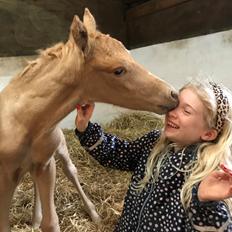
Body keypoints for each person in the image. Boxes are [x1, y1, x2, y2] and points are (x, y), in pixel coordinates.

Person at [74, 79, 232, 231]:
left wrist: (205, 204)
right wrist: (86, 129)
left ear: (209, 134)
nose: (172, 113)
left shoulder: (207, 172)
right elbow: (119, 154)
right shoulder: (155, 141)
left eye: (186, 111)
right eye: (175, 105)